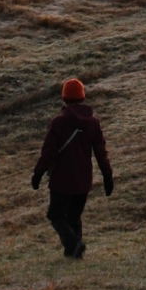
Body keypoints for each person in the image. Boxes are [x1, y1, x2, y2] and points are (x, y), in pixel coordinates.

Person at [31, 77, 114, 258]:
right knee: (74, 216)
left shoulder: (59, 123)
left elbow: (49, 152)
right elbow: (101, 152)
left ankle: (75, 244)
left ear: (64, 99)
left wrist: (37, 174)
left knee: (56, 215)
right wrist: (107, 176)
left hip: (62, 180)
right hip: (83, 180)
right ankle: (74, 253)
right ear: (83, 98)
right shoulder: (93, 123)